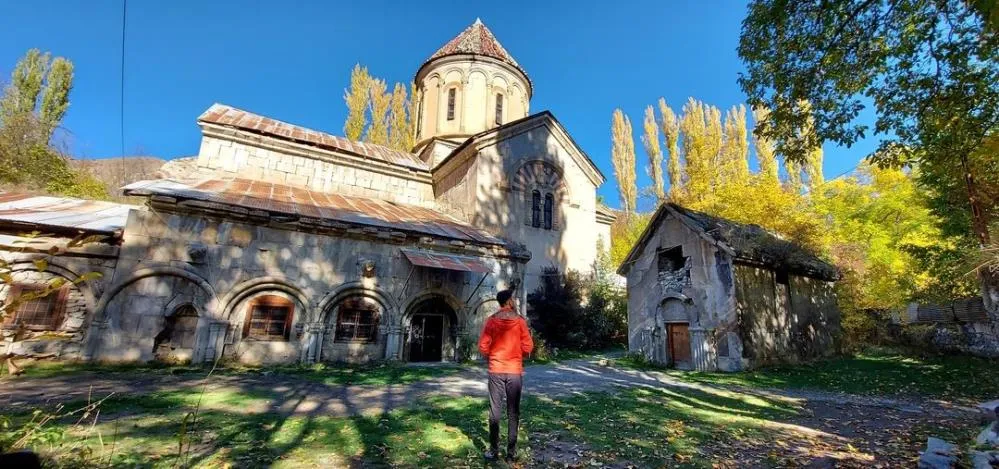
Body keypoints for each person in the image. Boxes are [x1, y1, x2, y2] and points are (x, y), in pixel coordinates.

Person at [478, 288, 533, 462]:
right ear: (509, 301)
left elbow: (483, 346)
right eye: (514, 299)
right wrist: (517, 353)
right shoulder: (520, 321)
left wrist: (494, 354)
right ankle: (511, 453)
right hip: (514, 371)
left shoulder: (491, 321)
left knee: (495, 411)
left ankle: (494, 451)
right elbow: (528, 347)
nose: (515, 301)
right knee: (513, 412)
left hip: (496, 370)